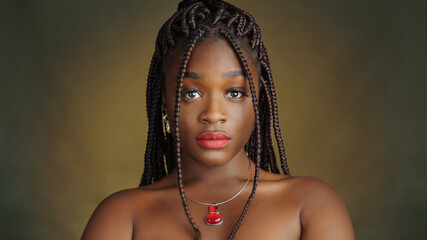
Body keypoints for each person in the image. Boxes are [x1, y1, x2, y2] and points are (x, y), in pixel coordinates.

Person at [81, 0, 355, 239]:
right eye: (191, 93)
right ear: (163, 100)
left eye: (235, 92)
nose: (213, 114)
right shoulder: (121, 215)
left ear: (259, 98)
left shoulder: (310, 205)